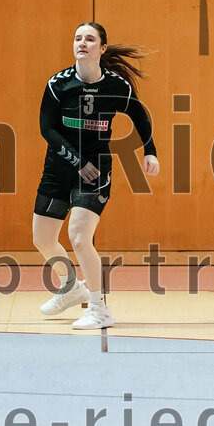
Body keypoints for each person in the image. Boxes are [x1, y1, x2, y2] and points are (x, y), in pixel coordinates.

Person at [33, 22, 159, 329]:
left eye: (90, 39)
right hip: (60, 167)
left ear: (101, 49)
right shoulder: (58, 84)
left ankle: (100, 308)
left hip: (95, 170)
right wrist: (75, 161)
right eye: (78, 38)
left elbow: (140, 115)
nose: (82, 43)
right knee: (43, 238)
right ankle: (71, 288)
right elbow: (46, 129)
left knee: (78, 235)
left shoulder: (116, 86)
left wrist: (150, 150)